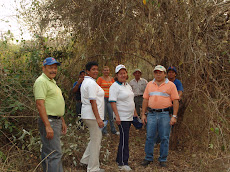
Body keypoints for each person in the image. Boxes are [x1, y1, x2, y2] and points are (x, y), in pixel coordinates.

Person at [140, 65, 179, 168]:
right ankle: (148, 158)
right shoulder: (149, 84)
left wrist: (174, 116)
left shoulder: (171, 85)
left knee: (164, 137)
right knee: (149, 137)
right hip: (151, 114)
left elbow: (175, 100)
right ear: (154, 73)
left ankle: (163, 159)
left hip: (165, 115)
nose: (158, 74)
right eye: (156, 72)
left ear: (164, 74)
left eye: (160, 72)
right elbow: (145, 99)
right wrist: (143, 114)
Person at [33, 57, 67, 172]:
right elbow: (40, 104)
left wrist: (62, 120)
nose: (53, 70)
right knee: (54, 153)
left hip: (55, 120)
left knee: (50, 152)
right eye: (50, 67)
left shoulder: (51, 82)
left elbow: (54, 102)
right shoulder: (41, 81)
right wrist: (47, 125)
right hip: (49, 121)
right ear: (43, 68)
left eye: (55, 68)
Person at [109, 64, 138, 171]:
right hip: (122, 117)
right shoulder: (114, 86)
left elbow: (131, 100)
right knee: (124, 139)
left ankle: (118, 159)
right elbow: (112, 102)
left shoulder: (127, 85)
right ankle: (123, 163)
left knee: (124, 138)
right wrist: (117, 116)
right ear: (116, 75)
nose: (123, 75)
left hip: (129, 117)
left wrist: (135, 113)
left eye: (124, 73)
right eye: (120, 73)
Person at [80, 62, 105, 172]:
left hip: (89, 115)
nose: (95, 71)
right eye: (93, 69)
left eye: (97, 69)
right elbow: (92, 101)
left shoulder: (88, 82)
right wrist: (98, 118)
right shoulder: (90, 83)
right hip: (92, 116)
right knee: (96, 141)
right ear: (88, 71)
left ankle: (85, 160)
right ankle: (93, 168)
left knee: (94, 139)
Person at [97, 66, 119, 135]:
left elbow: (115, 88)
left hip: (110, 99)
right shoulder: (100, 79)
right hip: (102, 99)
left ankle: (113, 130)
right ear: (102, 71)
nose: (106, 71)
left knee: (111, 115)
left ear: (109, 71)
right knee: (103, 115)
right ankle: (104, 131)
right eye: (105, 70)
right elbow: (96, 88)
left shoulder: (112, 79)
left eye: (107, 70)